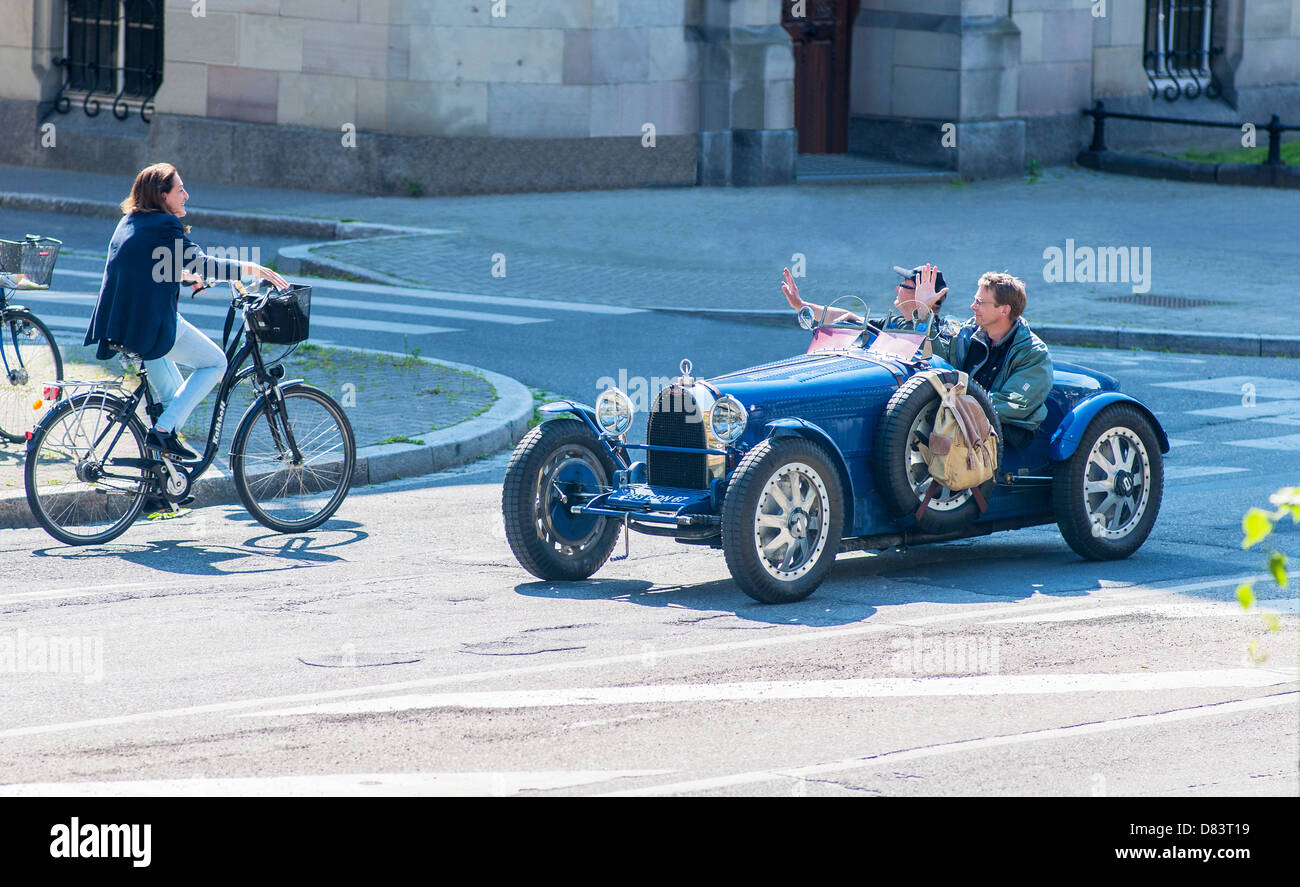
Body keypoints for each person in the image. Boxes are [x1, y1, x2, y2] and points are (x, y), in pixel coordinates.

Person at [85, 163, 287, 465]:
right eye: (180, 190)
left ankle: (161, 482)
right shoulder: (166, 226)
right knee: (216, 363)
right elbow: (202, 263)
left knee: (172, 400)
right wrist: (252, 268)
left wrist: (183, 275)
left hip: (121, 325)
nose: (187, 195)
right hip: (148, 326)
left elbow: (144, 264)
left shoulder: (133, 221)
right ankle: (163, 431)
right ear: (162, 195)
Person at [912, 265, 1053, 449]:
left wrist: (954, 405)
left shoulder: (1034, 353)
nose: (972, 307)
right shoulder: (969, 331)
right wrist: (924, 312)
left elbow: (1012, 405)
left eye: (979, 302)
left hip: (1006, 430)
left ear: (1004, 310)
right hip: (961, 417)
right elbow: (937, 359)